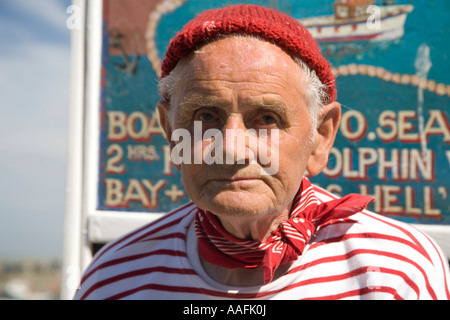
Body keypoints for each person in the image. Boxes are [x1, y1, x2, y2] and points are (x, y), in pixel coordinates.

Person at [74, 4, 450, 300]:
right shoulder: (114, 279)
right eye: (205, 116)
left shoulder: (395, 271)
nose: (233, 149)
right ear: (172, 132)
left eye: (266, 119)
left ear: (320, 137)